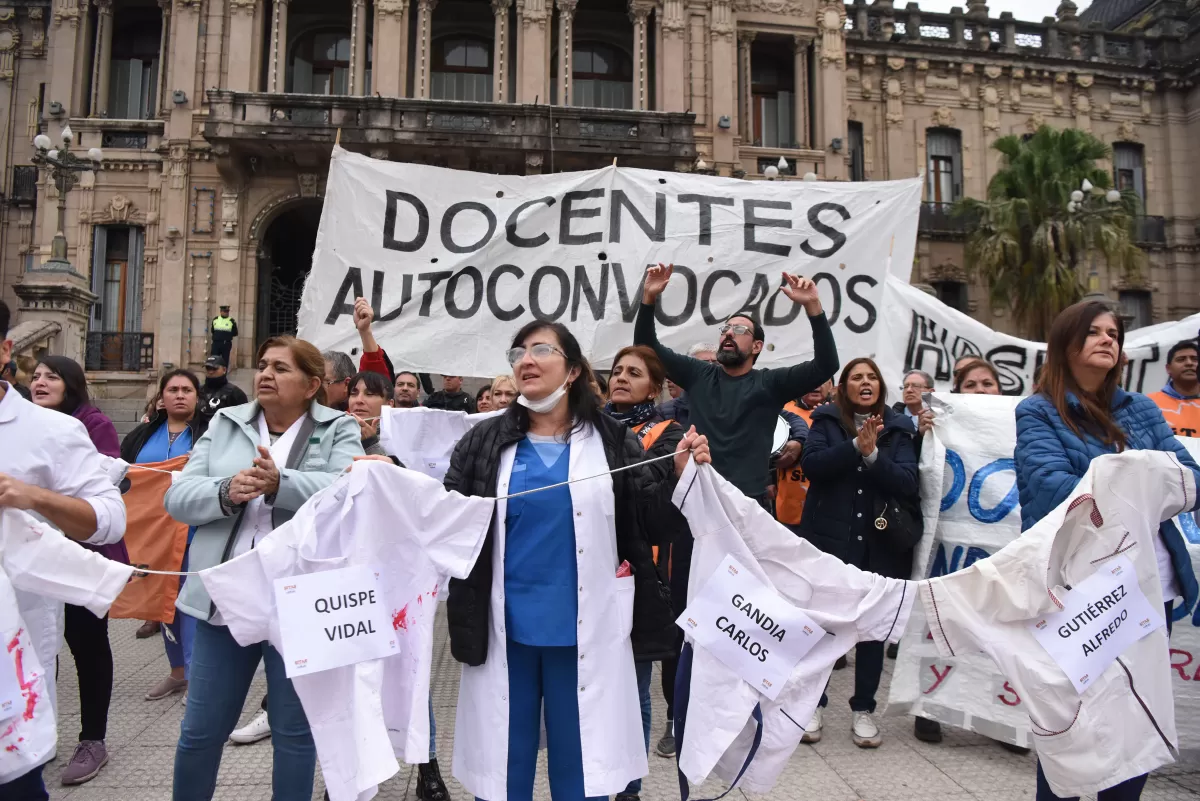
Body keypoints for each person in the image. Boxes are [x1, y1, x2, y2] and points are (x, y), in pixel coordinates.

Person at [444, 320, 708, 801]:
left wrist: (680, 476)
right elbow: (444, 521)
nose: (526, 359)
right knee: (506, 764)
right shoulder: (483, 442)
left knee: (580, 766)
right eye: (519, 351)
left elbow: (650, 522)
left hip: (584, 629)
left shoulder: (611, 441)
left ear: (572, 371)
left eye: (541, 350)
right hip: (503, 629)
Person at [164, 335, 364, 801]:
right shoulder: (225, 422)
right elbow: (177, 498)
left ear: (313, 384)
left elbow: (348, 491)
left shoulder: (339, 428)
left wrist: (282, 484)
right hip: (224, 601)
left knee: (295, 735)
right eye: (262, 365)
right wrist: (225, 491)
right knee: (201, 732)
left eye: (281, 368)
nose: (266, 375)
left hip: (302, 605)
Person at [1015, 300, 1200, 801]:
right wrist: (1135, 472)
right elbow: (1053, 487)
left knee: (1133, 721)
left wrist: (1124, 474)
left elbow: (1190, 480)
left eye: (1114, 334)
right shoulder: (1037, 411)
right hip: (1079, 591)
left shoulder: (1140, 409)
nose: (1107, 340)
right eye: (1093, 332)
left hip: (1148, 586)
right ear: (1066, 343)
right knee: (1072, 723)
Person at [0, 300, 127, 801]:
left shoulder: (51, 431)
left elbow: (110, 519)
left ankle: (90, 739)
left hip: (12, 663)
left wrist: (35, 497)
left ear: (6, 350)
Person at [637, 263, 838, 507]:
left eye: (740, 329)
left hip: (747, 504)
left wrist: (813, 307)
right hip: (698, 499)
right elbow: (646, 349)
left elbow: (826, 365)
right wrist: (648, 298)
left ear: (756, 346)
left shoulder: (771, 383)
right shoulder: (699, 374)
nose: (729, 333)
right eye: (725, 329)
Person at [797, 357, 918, 749]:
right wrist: (854, 446)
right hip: (832, 544)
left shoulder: (900, 429)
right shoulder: (826, 421)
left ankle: (863, 709)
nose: (865, 382)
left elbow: (907, 481)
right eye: (856, 377)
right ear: (843, 387)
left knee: (871, 631)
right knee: (824, 628)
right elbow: (813, 466)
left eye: (871, 377)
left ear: (881, 387)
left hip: (881, 547)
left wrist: (872, 456)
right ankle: (813, 704)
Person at [29, 355, 127, 785]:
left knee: (85, 642)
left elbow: (104, 482)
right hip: (32, 556)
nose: (40, 382)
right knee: (36, 644)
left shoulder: (91, 423)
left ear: (71, 384)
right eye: (34, 375)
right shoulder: (20, 426)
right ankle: (36, 731)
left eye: (51, 376)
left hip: (81, 553)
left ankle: (93, 739)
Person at [604, 344, 690, 782]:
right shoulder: (584, 427)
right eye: (617, 371)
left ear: (653, 388)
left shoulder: (669, 434)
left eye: (633, 373)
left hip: (636, 574)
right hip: (585, 569)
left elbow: (648, 500)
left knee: (634, 685)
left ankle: (630, 785)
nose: (620, 377)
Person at [120, 369, 207, 702]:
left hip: (194, 533)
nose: (180, 395)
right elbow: (123, 477)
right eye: (173, 389)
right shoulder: (141, 436)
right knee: (161, 603)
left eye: (187, 389)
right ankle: (177, 673)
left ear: (197, 398)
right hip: (151, 533)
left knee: (190, 603)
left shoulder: (207, 434)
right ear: (162, 397)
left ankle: (197, 675)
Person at [654, 343, 716, 431]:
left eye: (716, 363)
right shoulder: (664, 413)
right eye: (704, 364)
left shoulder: (732, 406)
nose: (711, 368)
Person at [1147, 340, 1200, 437]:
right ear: (1168, 369)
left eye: (1195, 359)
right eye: (1181, 359)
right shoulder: (1149, 404)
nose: (1189, 363)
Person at [347, 370, 396, 458]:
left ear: (389, 404)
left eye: (369, 394)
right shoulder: (337, 431)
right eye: (354, 393)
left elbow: (392, 471)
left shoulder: (400, 438)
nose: (359, 400)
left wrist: (370, 444)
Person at [198, 355, 248, 421]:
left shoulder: (235, 393)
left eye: (214, 368)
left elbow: (244, 419)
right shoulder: (198, 390)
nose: (211, 372)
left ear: (224, 370)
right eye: (208, 368)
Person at [894, 369, 935, 437]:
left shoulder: (939, 420)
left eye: (916, 386)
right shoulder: (890, 419)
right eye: (906, 386)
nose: (909, 390)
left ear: (931, 392)